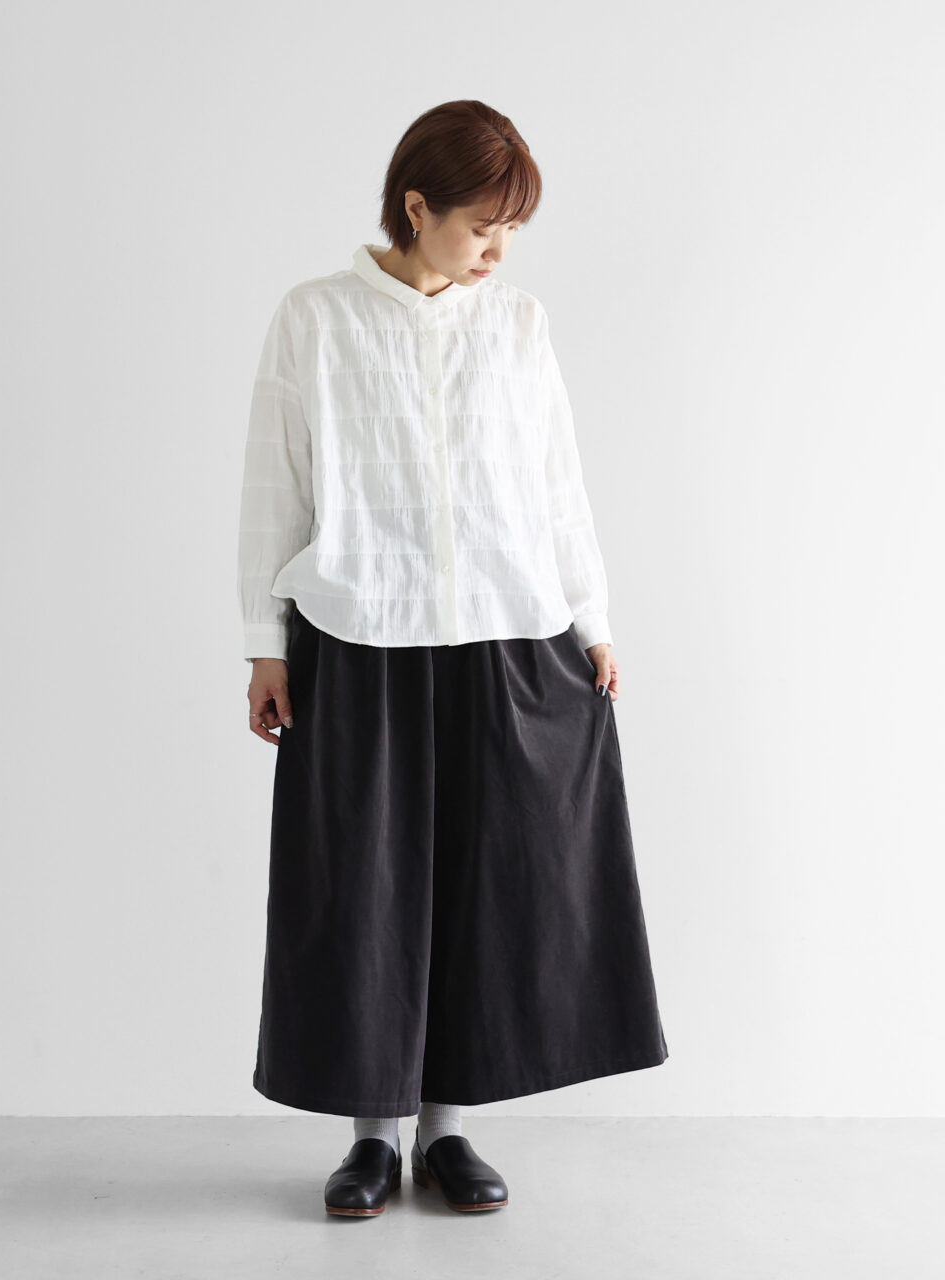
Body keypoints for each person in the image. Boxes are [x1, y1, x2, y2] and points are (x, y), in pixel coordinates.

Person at [236, 99, 668, 1218]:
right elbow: (277, 482)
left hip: (504, 633)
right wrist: (262, 643)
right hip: (360, 637)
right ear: (416, 206)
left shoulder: (517, 323)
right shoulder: (315, 318)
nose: (497, 251)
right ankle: (371, 1140)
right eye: (484, 226)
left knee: (490, 887)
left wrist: (591, 618)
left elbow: (555, 481)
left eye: (512, 230)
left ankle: (448, 1131)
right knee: (363, 893)